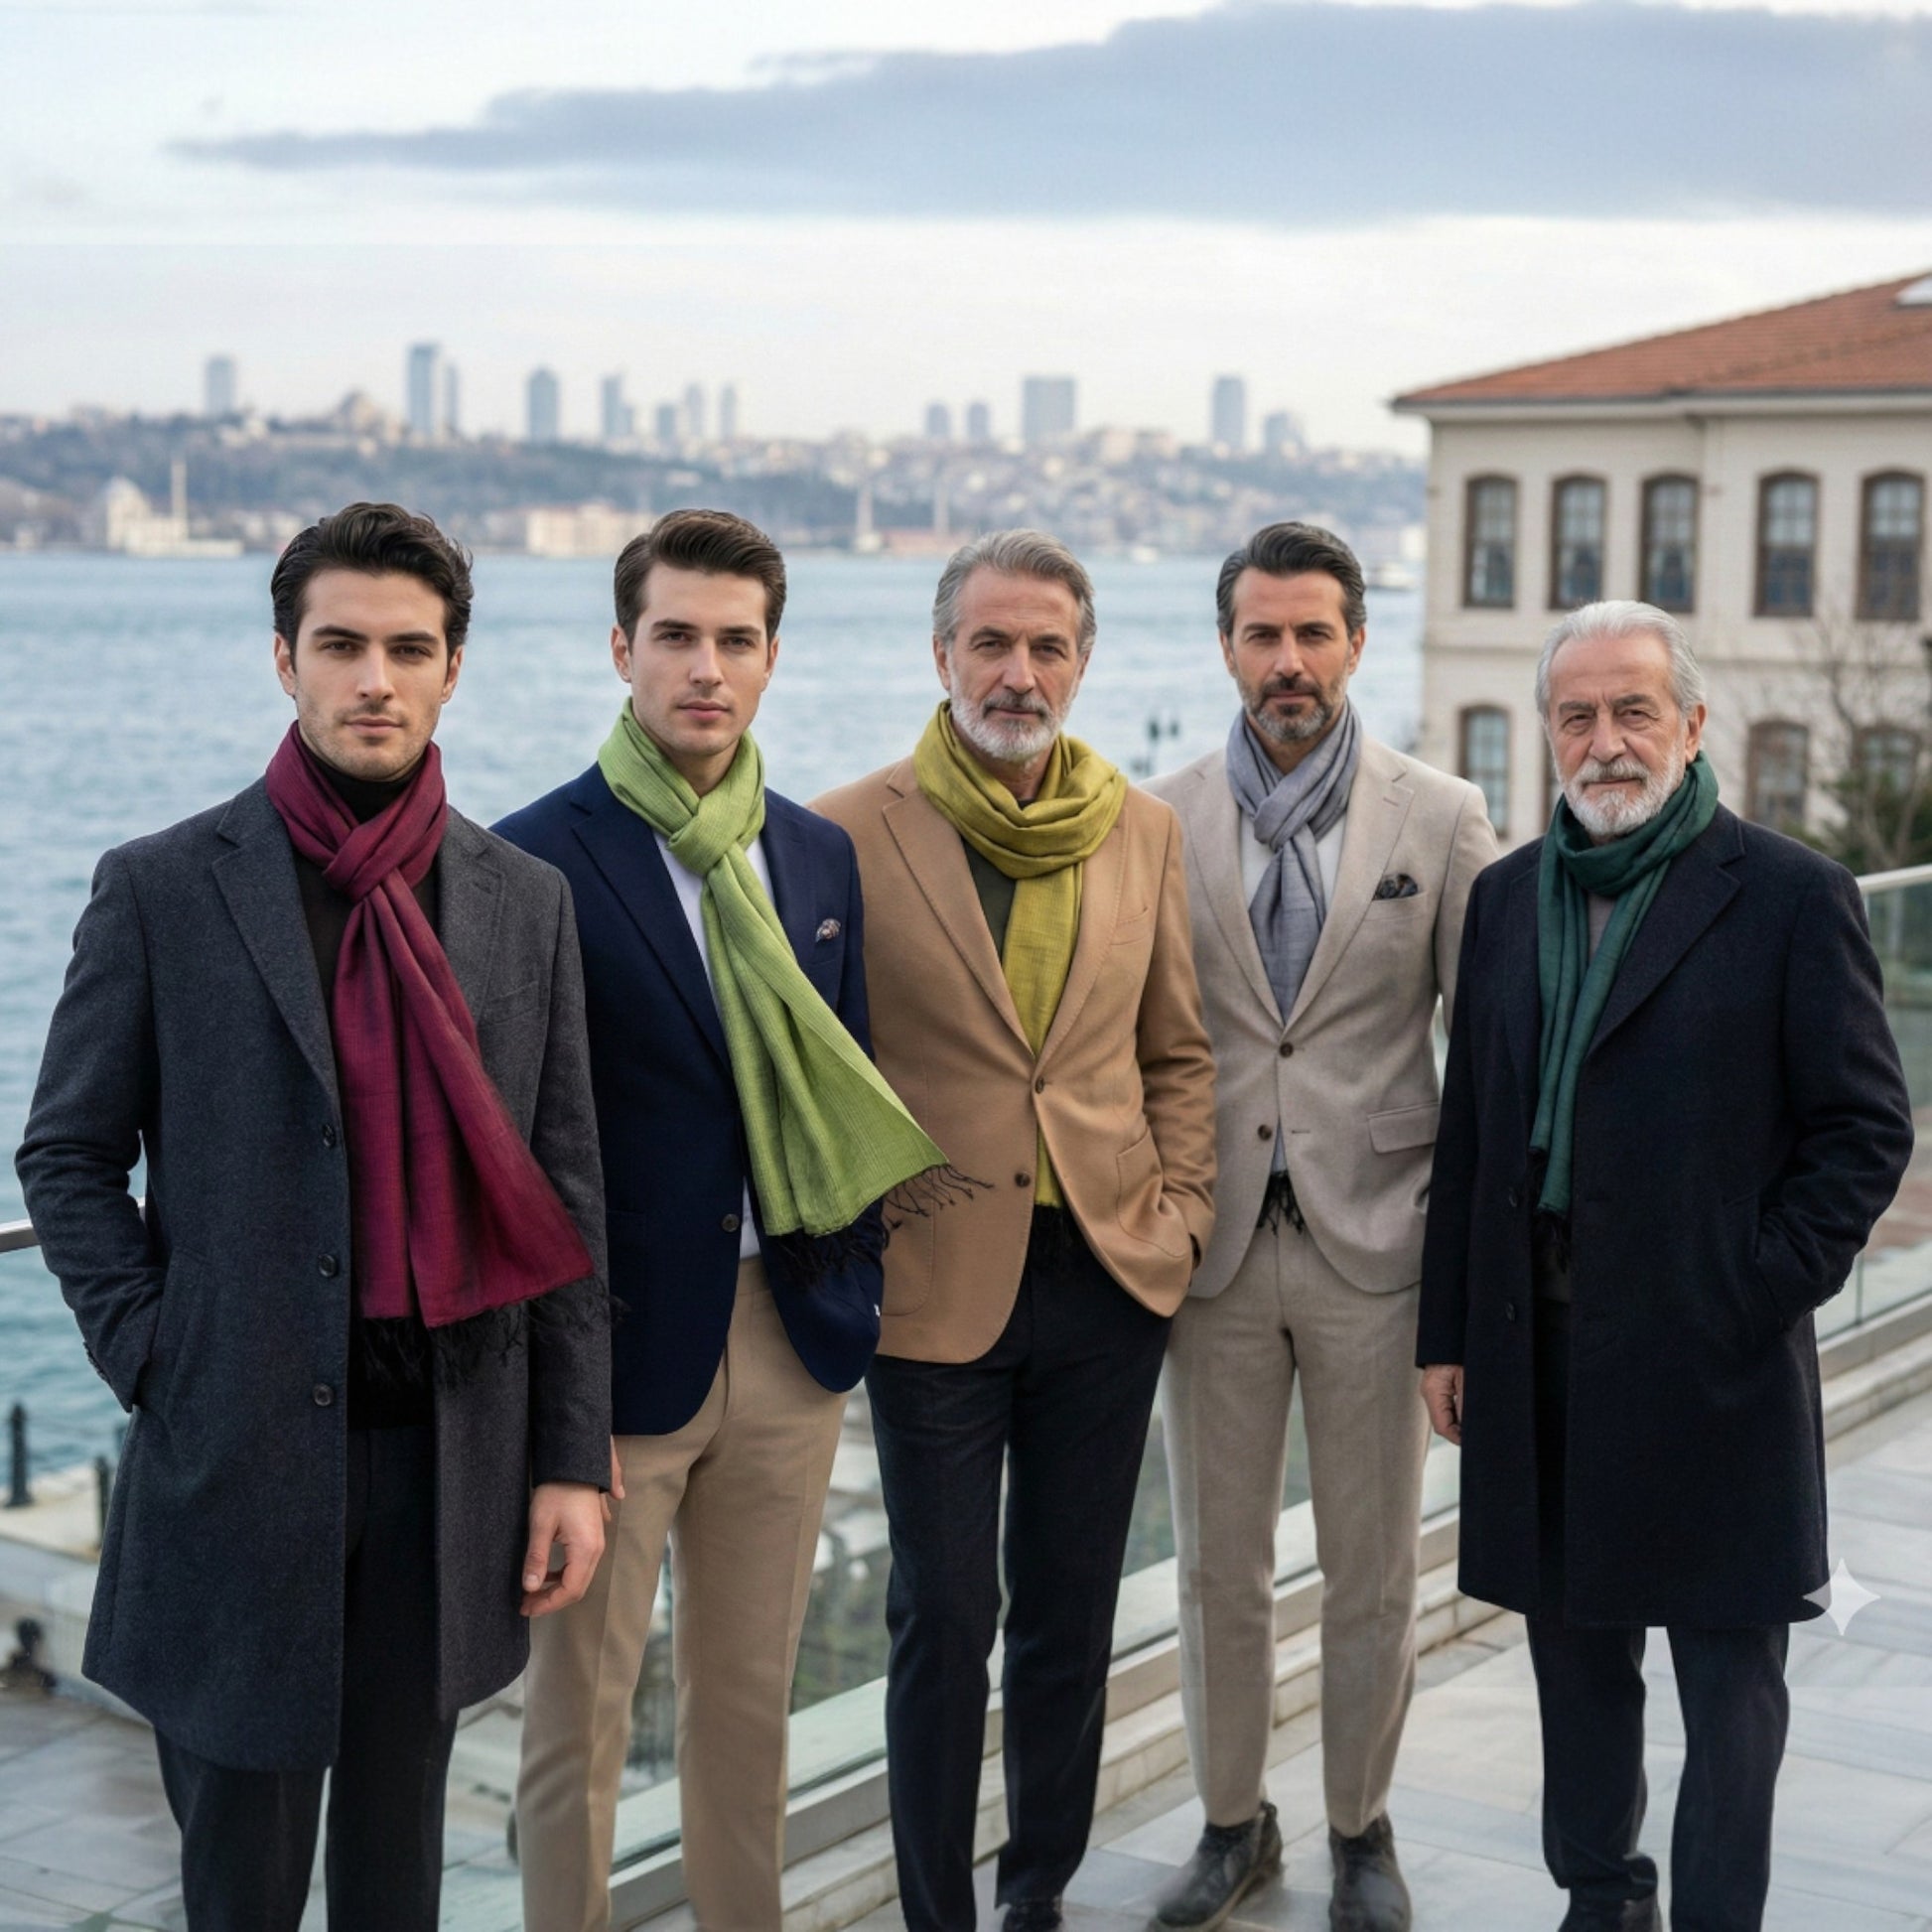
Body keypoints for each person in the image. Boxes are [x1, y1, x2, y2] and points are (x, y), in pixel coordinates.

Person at [15, 502, 612, 1930]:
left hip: (445, 1469)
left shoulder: (523, 901)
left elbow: (566, 1191)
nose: (374, 679)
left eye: (409, 648)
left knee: (399, 1880)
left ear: (452, 669)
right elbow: (68, 1156)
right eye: (340, 644)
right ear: (284, 658)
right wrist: (164, 1355)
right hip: (236, 1469)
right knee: (240, 1885)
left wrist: (567, 1459)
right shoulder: (163, 885)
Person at [1418, 600, 1913, 1932]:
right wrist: (1444, 1332)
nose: (1605, 739)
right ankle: (1599, 1895)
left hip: (1712, 1360)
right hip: (1537, 1347)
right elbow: (1471, 1127)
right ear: (1547, 736)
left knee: (1727, 1683)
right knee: (1573, 1662)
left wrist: (1749, 1287)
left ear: (1691, 724)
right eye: (1575, 714)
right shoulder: (1505, 895)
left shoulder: (1790, 896)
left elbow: (1865, 1130)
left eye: (1633, 708)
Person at [498, 509, 949, 1932]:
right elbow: (510, 1158)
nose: (706, 666)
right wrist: (548, 1396)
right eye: (676, 635)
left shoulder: (813, 858)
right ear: (621, 648)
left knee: (746, 1712)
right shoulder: (532, 862)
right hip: (615, 1365)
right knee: (577, 1724)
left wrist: (854, 1285)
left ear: (769, 659)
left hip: (788, 1342)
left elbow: (849, 1077)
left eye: (734, 639)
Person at [814, 529, 1217, 1932]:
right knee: (942, 1622)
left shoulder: (1141, 828)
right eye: (990, 642)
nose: (1018, 670)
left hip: (1107, 1276)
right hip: (930, 1282)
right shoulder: (842, 830)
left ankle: (1033, 1890)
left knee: (1069, 1618)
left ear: (1083, 662)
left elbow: (1176, 1050)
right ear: (940, 657)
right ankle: (936, 1911)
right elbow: (813, 1071)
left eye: (1046, 645)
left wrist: (1180, 1214)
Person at [1144, 522, 1497, 1932]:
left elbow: (1487, 1050)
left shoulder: (1442, 813)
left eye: (1311, 633)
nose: (1285, 662)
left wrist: (1469, 1271)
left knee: (1371, 1567)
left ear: (1354, 640)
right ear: (1225, 645)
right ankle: (1232, 1819)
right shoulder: (1153, 817)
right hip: (1213, 1248)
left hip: (1379, 1242)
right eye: (1259, 635)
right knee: (1215, 1564)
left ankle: (1361, 1824)